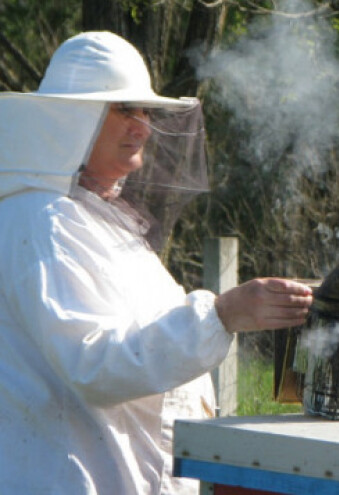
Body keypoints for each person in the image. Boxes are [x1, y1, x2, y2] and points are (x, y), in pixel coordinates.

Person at [0, 32, 313, 494]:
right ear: (71, 117)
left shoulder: (90, 216)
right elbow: (93, 363)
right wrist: (223, 314)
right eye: (125, 109)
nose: (143, 127)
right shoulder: (41, 220)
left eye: (146, 112)